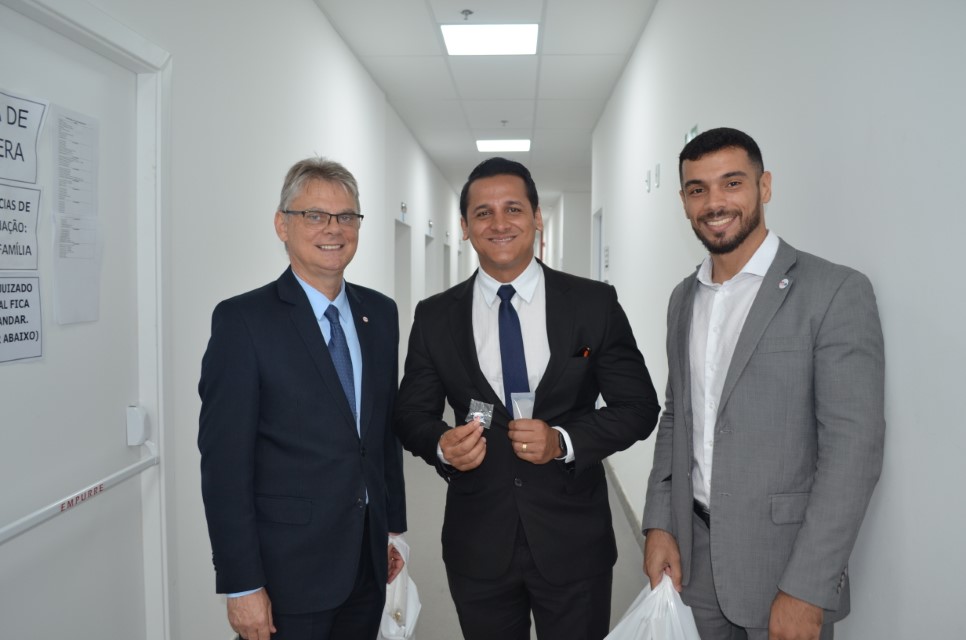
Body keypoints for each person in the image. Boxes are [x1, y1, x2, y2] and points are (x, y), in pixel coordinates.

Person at [394, 157, 660, 640]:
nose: (499, 223)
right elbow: (411, 411)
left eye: (513, 209)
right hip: (478, 542)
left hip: (573, 541)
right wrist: (440, 444)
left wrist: (563, 441)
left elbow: (638, 407)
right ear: (465, 227)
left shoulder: (593, 303)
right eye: (483, 213)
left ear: (536, 217)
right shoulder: (435, 316)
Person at [642, 127, 885, 640]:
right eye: (698, 189)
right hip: (694, 559)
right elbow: (676, 414)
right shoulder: (683, 299)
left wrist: (808, 588)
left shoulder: (834, 291)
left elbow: (853, 451)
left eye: (732, 183)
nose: (715, 203)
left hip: (783, 567)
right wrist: (660, 523)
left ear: (764, 186)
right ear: (684, 201)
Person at [198, 157, 407, 640]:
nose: (333, 229)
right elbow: (224, 465)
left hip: (366, 563)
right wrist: (242, 583)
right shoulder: (244, 322)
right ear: (282, 225)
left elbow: (381, 434)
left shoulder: (380, 314)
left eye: (346, 216)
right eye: (314, 215)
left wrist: (391, 528)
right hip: (286, 574)